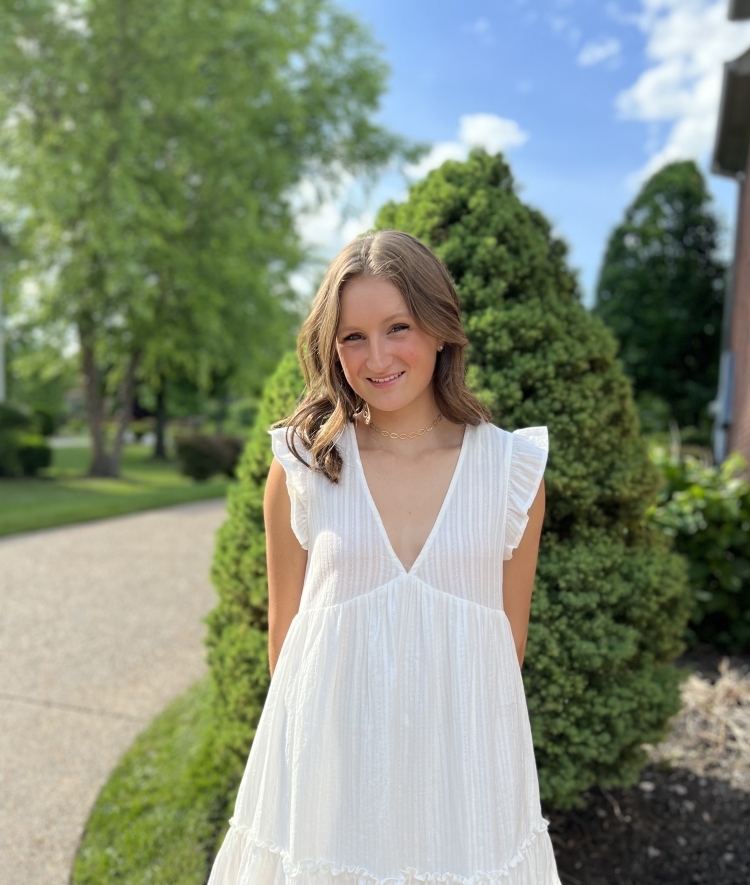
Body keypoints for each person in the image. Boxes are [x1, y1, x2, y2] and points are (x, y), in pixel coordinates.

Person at [207, 229, 562, 885]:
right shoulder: (304, 466)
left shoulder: (510, 471)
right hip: (330, 782)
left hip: (462, 784)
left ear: (439, 328)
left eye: (397, 326)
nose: (377, 357)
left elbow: (505, 644)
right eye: (352, 336)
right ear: (330, 345)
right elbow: (287, 645)